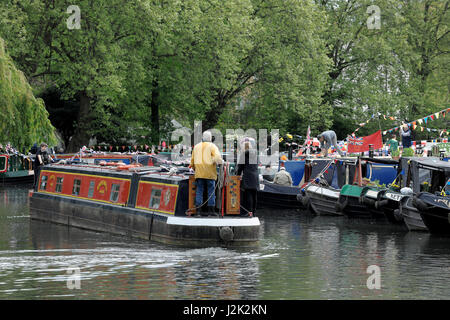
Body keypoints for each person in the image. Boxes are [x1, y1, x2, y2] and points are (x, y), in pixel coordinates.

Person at [190, 131, 223, 216]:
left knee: (199, 191)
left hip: (199, 173)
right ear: (210, 138)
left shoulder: (196, 147)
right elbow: (218, 158)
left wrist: (195, 169)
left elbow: (192, 161)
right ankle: (211, 211)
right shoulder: (213, 146)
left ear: (202, 137)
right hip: (210, 173)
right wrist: (216, 162)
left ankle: (198, 212)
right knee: (211, 192)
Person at [236, 141, 259, 217]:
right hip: (255, 176)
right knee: (254, 194)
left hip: (248, 176)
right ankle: (254, 212)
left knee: (248, 194)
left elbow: (240, 166)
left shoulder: (244, 154)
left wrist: (238, 175)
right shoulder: (256, 154)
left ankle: (249, 212)